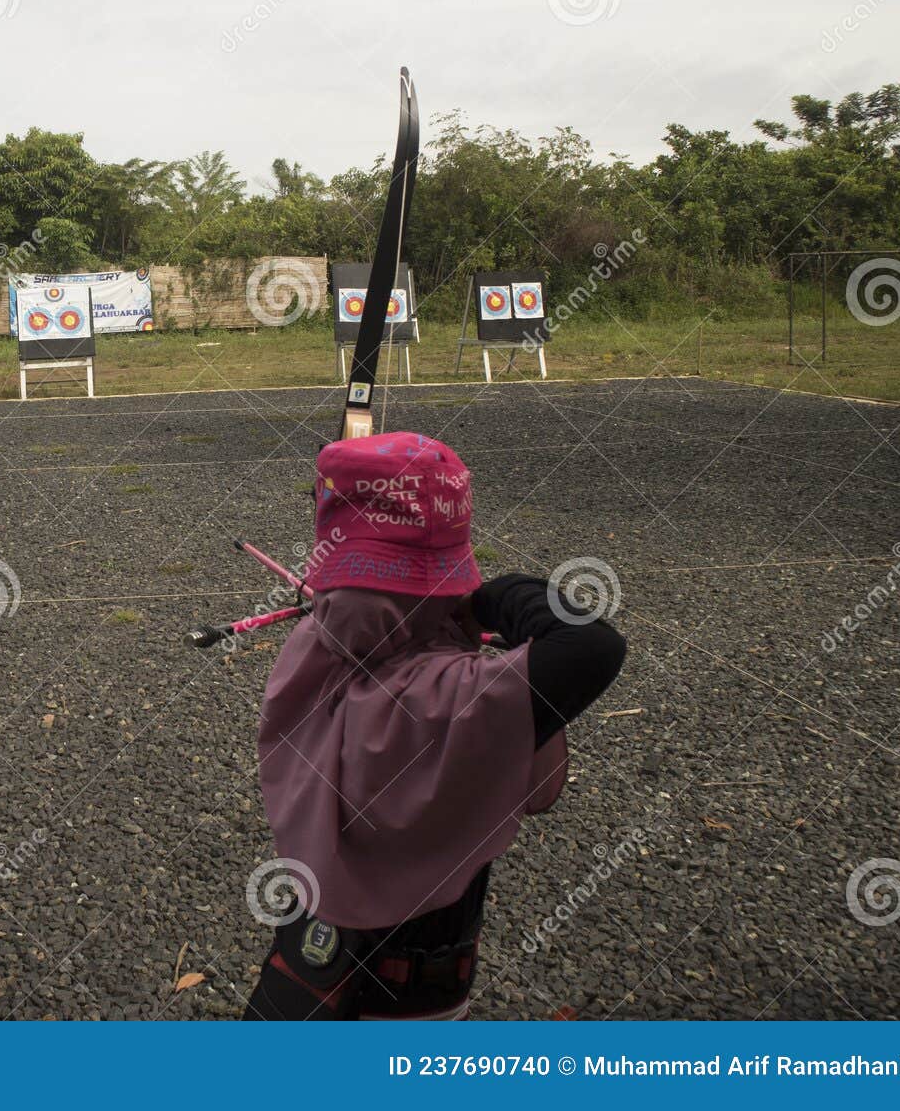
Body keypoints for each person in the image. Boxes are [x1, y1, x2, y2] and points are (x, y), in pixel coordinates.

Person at [243, 431, 626, 1020]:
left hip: (306, 963)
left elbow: (364, 611)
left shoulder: (317, 647)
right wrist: (493, 599)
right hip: (412, 999)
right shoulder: (452, 695)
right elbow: (591, 645)